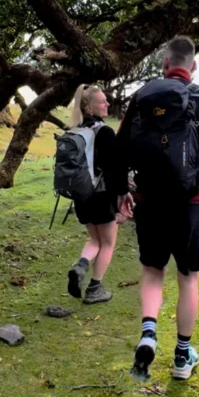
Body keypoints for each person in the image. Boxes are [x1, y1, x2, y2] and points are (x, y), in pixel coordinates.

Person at [116, 36, 199, 381]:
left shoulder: (142, 98)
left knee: (153, 272)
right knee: (188, 278)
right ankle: (182, 357)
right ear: (192, 67)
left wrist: (122, 190)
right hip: (191, 206)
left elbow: (120, 148)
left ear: (165, 64)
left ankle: (149, 333)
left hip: (150, 203)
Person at [66, 84, 120, 304]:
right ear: (89, 107)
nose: (107, 104)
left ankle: (81, 266)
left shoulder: (74, 130)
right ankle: (94, 289)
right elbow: (113, 169)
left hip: (81, 196)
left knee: (95, 239)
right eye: (102, 101)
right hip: (102, 195)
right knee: (107, 243)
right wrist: (121, 197)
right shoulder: (104, 132)